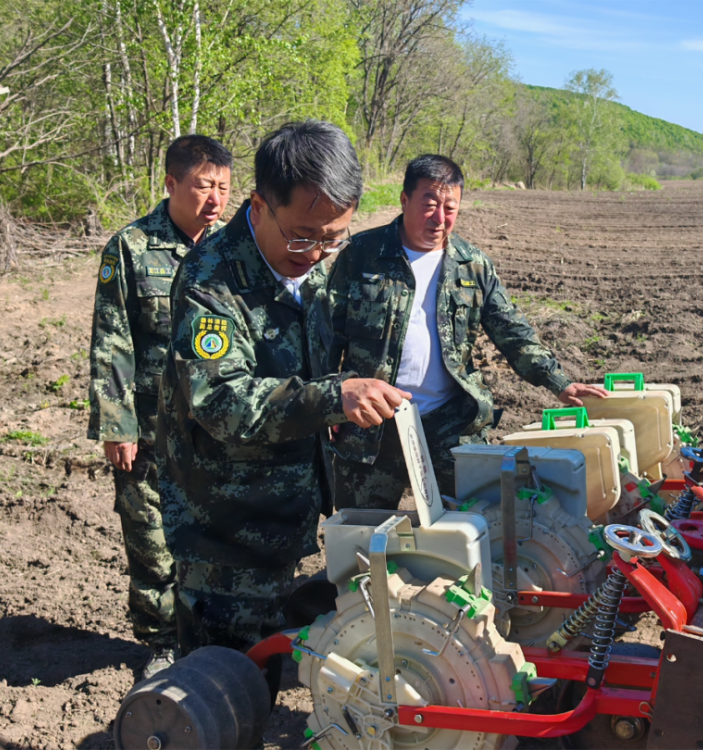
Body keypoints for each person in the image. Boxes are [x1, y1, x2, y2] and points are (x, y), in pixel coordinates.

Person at [156, 120, 409, 654]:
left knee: (266, 660)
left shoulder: (305, 267)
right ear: (259, 205)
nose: (315, 252)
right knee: (223, 678)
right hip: (225, 532)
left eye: (332, 238)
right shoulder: (211, 283)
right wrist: (332, 398)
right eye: (302, 235)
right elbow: (220, 400)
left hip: (284, 514)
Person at [326, 154, 607, 511]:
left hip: (450, 422)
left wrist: (558, 381)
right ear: (404, 199)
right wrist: (328, 403)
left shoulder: (472, 265)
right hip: (371, 422)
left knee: (475, 522)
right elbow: (326, 334)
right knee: (361, 530)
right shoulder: (362, 254)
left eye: (450, 208)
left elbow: (511, 329)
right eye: (430, 205)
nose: (440, 219)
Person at [88, 135, 233, 678]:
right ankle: (162, 642)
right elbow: (112, 341)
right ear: (171, 184)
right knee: (151, 537)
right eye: (203, 186)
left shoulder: (231, 249)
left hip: (215, 427)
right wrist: (116, 424)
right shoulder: (130, 247)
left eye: (223, 187)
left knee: (215, 535)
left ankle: (213, 637)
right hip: (150, 429)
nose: (215, 199)